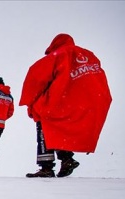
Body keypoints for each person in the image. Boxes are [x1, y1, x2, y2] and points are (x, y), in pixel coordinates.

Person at [20, 33, 112, 178]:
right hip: (85, 100)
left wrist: (30, 101)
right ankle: (67, 159)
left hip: (60, 100)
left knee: (44, 125)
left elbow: (36, 77)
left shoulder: (58, 55)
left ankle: (46, 167)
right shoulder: (90, 56)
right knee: (60, 131)